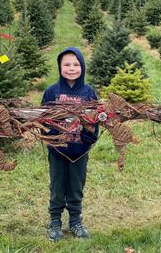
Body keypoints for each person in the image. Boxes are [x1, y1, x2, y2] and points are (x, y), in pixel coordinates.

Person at [41, 47, 98, 242]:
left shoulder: (89, 92)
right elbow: (43, 120)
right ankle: (55, 221)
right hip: (58, 150)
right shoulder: (52, 92)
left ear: (82, 66)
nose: (71, 68)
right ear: (59, 67)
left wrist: (87, 142)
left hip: (80, 151)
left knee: (76, 186)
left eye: (76, 64)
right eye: (67, 64)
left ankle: (75, 220)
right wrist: (53, 140)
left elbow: (95, 120)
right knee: (57, 185)